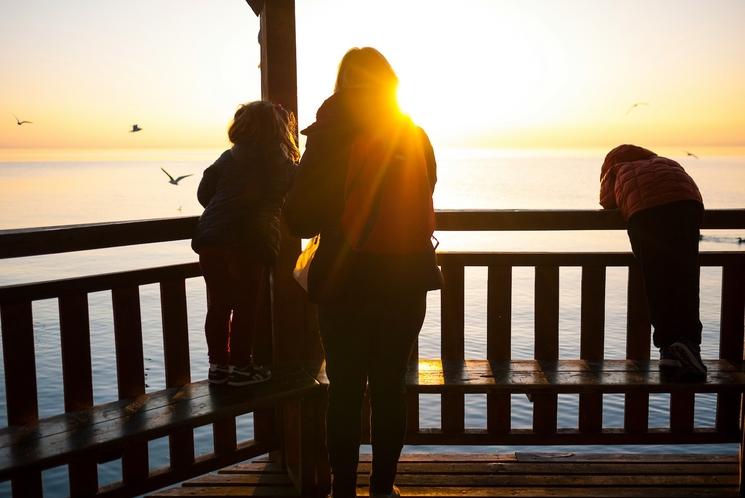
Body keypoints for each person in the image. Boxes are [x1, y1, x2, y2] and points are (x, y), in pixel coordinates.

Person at [284, 47, 442, 498]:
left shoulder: (331, 132)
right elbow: (427, 188)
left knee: (346, 389)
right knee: (391, 386)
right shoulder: (413, 132)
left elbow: (302, 218)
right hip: (408, 277)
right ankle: (383, 488)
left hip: (345, 282)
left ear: (344, 84)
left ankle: (342, 490)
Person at [192, 101, 299, 386]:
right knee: (245, 306)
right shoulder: (280, 161)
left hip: (211, 239)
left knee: (219, 304)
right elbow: (296, 191)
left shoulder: (228, 157)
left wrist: (222, 210)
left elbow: (204, 193)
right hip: (251, 242)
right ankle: (241, 367)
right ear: (279, 129)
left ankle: (218, 367)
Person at [599, 144, 706, 380]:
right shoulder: (667, 162)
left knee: (656, 279)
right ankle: (689, 346)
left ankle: (668, 348)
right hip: (686, 208)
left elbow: (606, 201)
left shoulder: (618, 169)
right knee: (685, 276)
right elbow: (687, 186)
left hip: (646, 214)